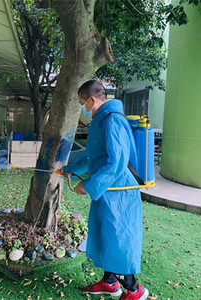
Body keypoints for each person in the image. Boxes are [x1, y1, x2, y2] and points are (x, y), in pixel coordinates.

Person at [63, 80, 149, 300]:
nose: (84, 109)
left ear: (92, 100)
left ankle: (135, 291)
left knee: (118, 239)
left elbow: (117, 161)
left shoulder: (112, 120)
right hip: (108, 190)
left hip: (119, 192)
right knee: (106, 236)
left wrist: (90, 185)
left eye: (83, 103)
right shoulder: (102, 120)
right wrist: (71, 170)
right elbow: (93, 155)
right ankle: (110, 283)